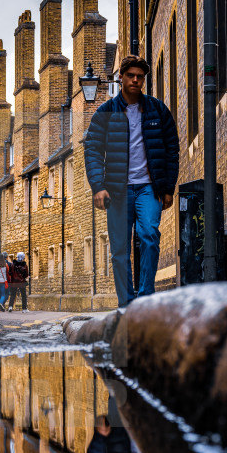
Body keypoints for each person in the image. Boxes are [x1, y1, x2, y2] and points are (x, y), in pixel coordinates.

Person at [83, 55, 179, 308]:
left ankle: (146, 297)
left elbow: (171, 148)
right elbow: (92, 150)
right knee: (119, 249)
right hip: (117, 191)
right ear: (121, 78)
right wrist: (98, 186)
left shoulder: (157, 109)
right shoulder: (105, 113)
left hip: (149, 188)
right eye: (131, 76)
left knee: (149, 235)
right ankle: (126, 303)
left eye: (140, 77)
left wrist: (168, 188)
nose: (136, 80)